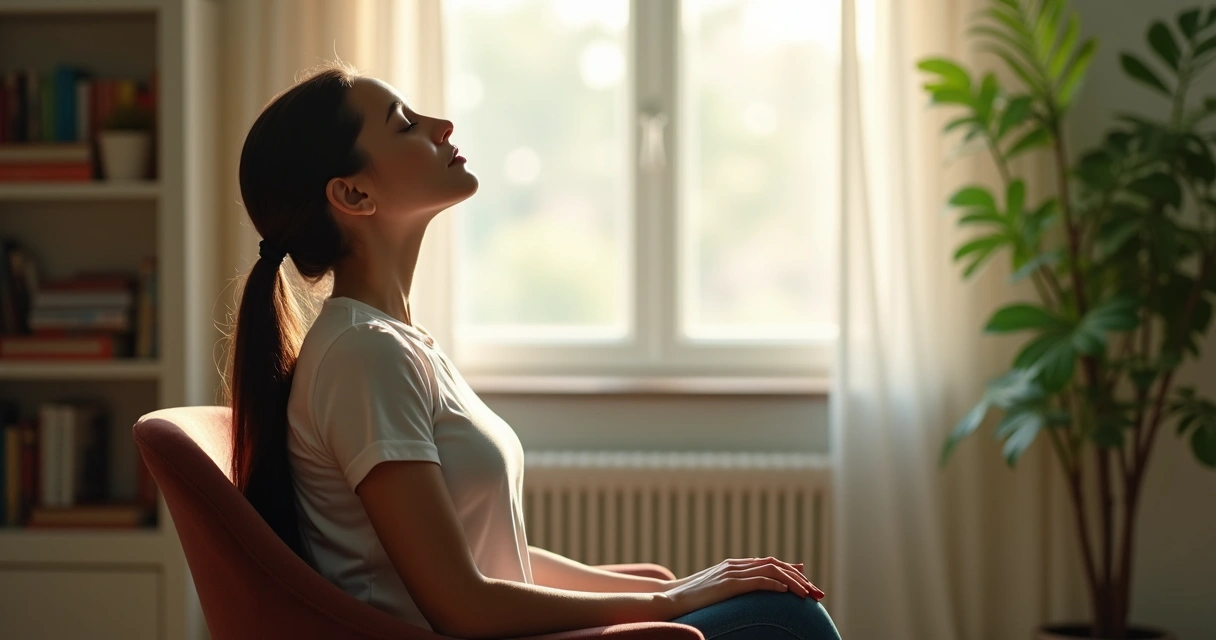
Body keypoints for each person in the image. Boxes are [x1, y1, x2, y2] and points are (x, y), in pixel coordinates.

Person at [225, 60, 842, 640]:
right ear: (353, 196)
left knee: (766, 606)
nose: (442, 126)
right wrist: (665, 603)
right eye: (406, 124)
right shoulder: (364, 356)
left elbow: (492, 556)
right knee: (789, 623)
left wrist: (677, 587)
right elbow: (462, 603)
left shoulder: (393, 346)